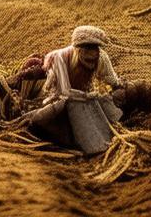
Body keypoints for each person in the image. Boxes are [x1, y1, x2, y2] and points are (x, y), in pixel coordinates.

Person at [28, 26, 127, 154]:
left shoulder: (101, 57)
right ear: (77, 49)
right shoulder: (60, 57)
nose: (92, 53)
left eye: (95, 47)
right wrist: (88, 96)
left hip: (84, 93)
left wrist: (119, 84)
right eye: (87, 47)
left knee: (105, 102)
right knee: (48, 116)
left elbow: (111, 79)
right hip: (55, 95)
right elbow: (64, 91)